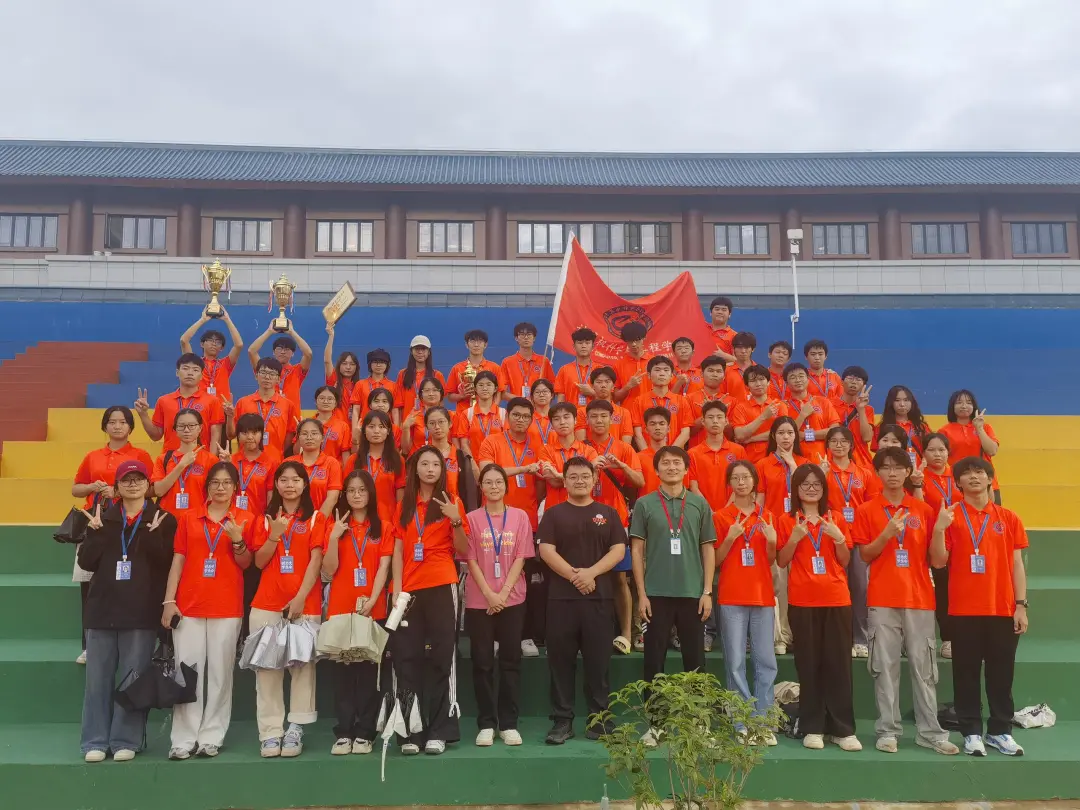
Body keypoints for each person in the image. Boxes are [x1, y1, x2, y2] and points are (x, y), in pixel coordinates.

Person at [852, 448, 959, 756]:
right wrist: (886, 534)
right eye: (886, 467)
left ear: (908, 472)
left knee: (924, 669)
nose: (893, 473)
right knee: (884, 668)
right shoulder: (867, 510)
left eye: (899, 467)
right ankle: (888, 730)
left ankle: (930, 732)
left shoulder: (923, 510)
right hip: (882, 599)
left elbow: (938, 560)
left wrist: (939, 529)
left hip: (920, 599)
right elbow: (864, 555)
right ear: (877, 473)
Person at [77, 460, 176, 763]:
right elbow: (86, 563)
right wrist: (94, 533)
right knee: (98, 680)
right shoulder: (102, 517)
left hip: (141, 612)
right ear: (116, 487)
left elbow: (166, 564)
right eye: (126, 480)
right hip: (102, 610)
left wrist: (152, 536)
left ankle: (126, 739)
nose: (133, 484)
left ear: (148, 485)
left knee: (133, 678)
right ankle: (95, 740)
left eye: (138, 479)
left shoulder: (162, 518)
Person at [930, 456, 1029, 758]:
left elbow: (1017, 564)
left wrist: (1021, 605)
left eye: (980, 472)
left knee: (1002, 675)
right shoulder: (950, 516)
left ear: (989, 479)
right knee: (966, 674)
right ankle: (971, 732)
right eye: (967, 473)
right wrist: (938, 529)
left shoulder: (1008, 517)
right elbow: (938, 561)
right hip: (963, 611)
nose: (974, 477)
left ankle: (1000, 731)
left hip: (1002, 609)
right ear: (958, 482)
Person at [162, 461, 258, 759]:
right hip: (188, 606)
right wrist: (169, 601)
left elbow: (247, 564)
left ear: (235, 488)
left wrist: (237, 540)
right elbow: (178, 559)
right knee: (186, 672)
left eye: (227, 483)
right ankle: (183, 738)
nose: (220, 488)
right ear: (206, 487)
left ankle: (211, 736)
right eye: (215, 482)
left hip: (227, 606)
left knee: (220, 674)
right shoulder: (189, 518)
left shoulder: (245, 518)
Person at [538, 456, 627, 744]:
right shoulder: (553, 514)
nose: (579, 481)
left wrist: (591, 573)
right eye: (573, 477)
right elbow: (546, 551)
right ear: (564, 482)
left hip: (599, 600)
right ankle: (562, 721)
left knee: (598, 662)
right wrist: (575, 576)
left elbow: (618, 550)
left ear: (594, 480)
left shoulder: (608, 513)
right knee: (560, 663)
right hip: (561, 600)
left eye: (585, 476)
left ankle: (599, 719)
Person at [629, 447, 715, 745]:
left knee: (696, 661)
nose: (671, 467)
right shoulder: (644, 504)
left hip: (692, 593)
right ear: (656, 470)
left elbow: (708, 548)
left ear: (686, 469)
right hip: (656, 594)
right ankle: (656, 725)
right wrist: (641, 593)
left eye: (677, 462)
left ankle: (699, 723)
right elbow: (637, 550)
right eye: (665, 463)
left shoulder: (700, 504)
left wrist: (707, 591)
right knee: (654, 662)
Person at [776, 464, 860, 752]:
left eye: (816, 484)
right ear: (796, 489)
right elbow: (782, 560)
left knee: (839, 665)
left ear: (824, 489)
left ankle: (842, 729)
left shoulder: (836, 518)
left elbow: (845, 560)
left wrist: (838, 537)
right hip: (803, 600)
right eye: (805, 484)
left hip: (836, 599)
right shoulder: (787, 520)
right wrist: (795, 538)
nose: (811, 489)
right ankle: (812, 727)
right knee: (808, 664)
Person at [389, 447, 468, 755]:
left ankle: (439, 730)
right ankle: (410, 731)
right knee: (406, 658)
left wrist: (456, 521)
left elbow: (463, 550)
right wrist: (397, 589)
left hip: (441, 585)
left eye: (436, 463)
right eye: (425, 463)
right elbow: (398, 550)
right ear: (415, 469)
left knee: (442, 657)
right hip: (408, 590)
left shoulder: (452, 502)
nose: (431, 468)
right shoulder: (404, 505)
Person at [250, 461, 328, 758]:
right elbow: (259, 562)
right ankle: (270, 732)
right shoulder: (264, 519)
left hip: (304, 604)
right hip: (266, 604)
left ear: (305, 484)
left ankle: (296, 727)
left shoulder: (316, 518)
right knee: (267, 671)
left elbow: (316, 560)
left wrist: (300, 597)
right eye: (284, 479)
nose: (290, 485)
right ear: (276, 485)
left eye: (296, 480)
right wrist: (274, 534)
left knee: (302, 668)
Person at [71, 406, 154, 664]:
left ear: (131, 427)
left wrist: (116, 492)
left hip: (128, 524)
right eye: (112, 422)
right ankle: (88, 644)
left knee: (126, 581)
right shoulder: (93, 456)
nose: (117, 426)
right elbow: (76, 488)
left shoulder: (140, 455)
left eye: (123, 422)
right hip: (96, 524)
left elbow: (150, 489)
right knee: (89, 585)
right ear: (104, 426)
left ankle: (131, 642)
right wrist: (92, 486)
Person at [462, 465, 534, 747]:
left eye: (498, 482)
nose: (494, 487)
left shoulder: (520, 517)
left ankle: (508, 723)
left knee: (510, 661)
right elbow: (470, 560)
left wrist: (502, 593)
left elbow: (521, 557)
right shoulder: (471, 519)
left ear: (506, 486)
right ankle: (486, 723)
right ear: (481, 487)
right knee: (482, 662)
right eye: (488, 482)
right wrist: (489, 595)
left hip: (512, 599)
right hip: (480, 601)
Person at [322, 470, 393, 756]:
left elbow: (384, 567)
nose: (356, 495)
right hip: (341, 608)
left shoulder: (383, 527)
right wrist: (333, 538)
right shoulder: (336, 526)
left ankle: (365, 732)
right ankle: (344, 732)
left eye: (362, 490)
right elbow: (328, 570)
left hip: (371, 608)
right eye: (351, 490)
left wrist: (373, 599)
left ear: (371, 493)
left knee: (368, 674)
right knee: (343, 674)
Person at [712, 461, 778, 744]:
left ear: (754, 482)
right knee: (736, 661)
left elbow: (770, 559)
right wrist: (730, 538)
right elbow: (715, 561)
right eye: (735, 478)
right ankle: (741, 721)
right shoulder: (721, 516)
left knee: (766, 660)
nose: (741, 483)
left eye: (746, 477)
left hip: (762, 595)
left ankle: (764, 721)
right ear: (729, 483)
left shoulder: (768, 516)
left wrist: (772, 541)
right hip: (731, 595)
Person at [821, 425, 879, 658]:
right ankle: (836, 637)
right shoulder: (823, 471)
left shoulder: (864, 473)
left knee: (860, 588)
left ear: (851, 445)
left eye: (843, 441)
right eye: (833, 441)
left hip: (859, 537)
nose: (838, 445)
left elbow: (872, 506)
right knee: (834, 588)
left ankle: (861, 638)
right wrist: (821, 473)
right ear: (827, 445)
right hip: (832, 536)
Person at [477, 397, 547, 532]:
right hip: (493, 516)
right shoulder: (491, 441)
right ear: (507, 416)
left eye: (526, 416)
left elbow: (541, 484)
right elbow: (486, 473)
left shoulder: (538, 445)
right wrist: (523, 469)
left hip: (527, 517)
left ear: (531, 420)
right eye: (516, 415)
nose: (521, 419)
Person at [135, 353, 224, 453]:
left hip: (200, 458)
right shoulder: (163, 401)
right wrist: (143, 414)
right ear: (177, 372)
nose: (190, 373)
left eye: (195, 370)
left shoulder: (212, 401)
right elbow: (155, 436)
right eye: (185, 368)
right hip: (171, 459)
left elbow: (215, 436)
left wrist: (211, 460)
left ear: (201, 376)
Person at [921, 432, 957, 658]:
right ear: (923, 453)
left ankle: (962, 636)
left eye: (941, 450)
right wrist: (916, 484)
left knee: (959, 590)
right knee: (940, 591)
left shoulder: (959, 475)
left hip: (961, 540)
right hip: (932, 541)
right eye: (932, 450)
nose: (937, 454)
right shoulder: (918, 477)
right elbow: (918, 508)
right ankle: (947, 639)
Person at [152, 410, 219, 516]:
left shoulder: (211, 460)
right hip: (168, 518)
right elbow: (159, 491)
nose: (186, 430)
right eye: (181, 426)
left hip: (198, 518)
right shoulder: (163, 459)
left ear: (200, 428)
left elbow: (215, 495)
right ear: (175, 429)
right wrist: (181, 465)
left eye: (191, 426)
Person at [940, 389, 1001, 502]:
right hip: (958, 483)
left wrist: (979, 428)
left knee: (991, 512)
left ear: (974, 406)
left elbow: (992, 451)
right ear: (952, 407)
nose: (964, 406)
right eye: (959, 403)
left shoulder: (985, 427)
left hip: (986, 482)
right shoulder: (944, 431)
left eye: (968, 403)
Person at [231, 358, 300, 456]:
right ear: (256, 376)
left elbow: (289, 437)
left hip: (275, 461)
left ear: (278, 379)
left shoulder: (288, 405)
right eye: (263, 373)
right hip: (246, 460)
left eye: (272, 374)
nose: (267, 377)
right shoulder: (243, 403)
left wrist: (277, 454)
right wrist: (229, 417)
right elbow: (232, 434)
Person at [688, 399, 746, 513]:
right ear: (703, 421)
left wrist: (726, 511)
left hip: (733, 512)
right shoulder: (692, 453)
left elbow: (742, 482)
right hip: (703, 513)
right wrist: (709, 512)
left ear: (726, 421)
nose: (715, 421)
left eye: (719, 417)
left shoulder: (738, 451)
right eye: (710, 417)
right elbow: (693, 487)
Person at [730, 364, 791, 463]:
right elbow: (740, 435)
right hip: (750, 461)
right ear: (747, 386)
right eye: (753, 381)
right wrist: (763, 417)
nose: (758, 384)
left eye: (761, 379)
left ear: (768, 382)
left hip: (777, 460)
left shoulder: (780, 405)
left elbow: (782, 433)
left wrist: (752, 439)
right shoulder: (740, 407)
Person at [628, 356, 692, 450]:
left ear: (671, 376)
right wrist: (647, 454)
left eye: (666, 370)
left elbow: (685, 433)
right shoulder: (639, 401)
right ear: (649, 375)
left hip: (674, 454)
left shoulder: (681, 401)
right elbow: (638, 434)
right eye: (657, 370)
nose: (662, 373)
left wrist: (670, 454)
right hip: (647, 454)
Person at [352, 410, 406, 519]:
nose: (376, 431)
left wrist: (398, 518)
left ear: (388, 431)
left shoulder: (397, 460)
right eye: (371, 427)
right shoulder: (354, 460)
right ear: (364, 430)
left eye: (381, 427)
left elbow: (400, 494)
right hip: (360, 520)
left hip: (388, 519)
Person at [180, 308, 243, 401]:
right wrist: (202, 320)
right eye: (210, 340)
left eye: (218, 342)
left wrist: (227, 319)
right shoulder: (194, 363)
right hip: (198, 406)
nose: (214, 344)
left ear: (222, 348)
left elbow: (239, 345)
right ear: (202, 344)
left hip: (221, 407)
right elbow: (184, 341)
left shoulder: (226, 363)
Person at [285, 418, 344, 517]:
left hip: (322, 521)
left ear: (322, 438)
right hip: (293, 521)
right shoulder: (288, 463)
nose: (309, 437)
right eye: (304, 434)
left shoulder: (332, 463)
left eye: (314, 433)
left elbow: (332, 498)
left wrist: (317, 522)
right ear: (298, 438)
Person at [781, 362, 840, 461]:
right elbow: (785, 435)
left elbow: (834, 431)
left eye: (801, 376)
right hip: (794, 460)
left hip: (822, 459)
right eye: (793, 377)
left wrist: (806, 435)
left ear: (808, 379)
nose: (798, 380)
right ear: (786, 383)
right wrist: (802, 415)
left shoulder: (823, 402)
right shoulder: (783, 406)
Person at [247, 327, 313, 415]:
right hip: (270, 416)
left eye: (287, 349)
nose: (282, 352)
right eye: (279, 348)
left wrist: (292, 332)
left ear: (293, 353)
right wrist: (269, 331)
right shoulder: (265, 369)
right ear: (273, 352)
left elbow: (308, 354)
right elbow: (251, 351)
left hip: (292, 417)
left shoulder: (297, 371)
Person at [227, 413, 281, 519]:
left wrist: (267, 520)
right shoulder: (231, 460)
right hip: (231, 519)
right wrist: (225, 465)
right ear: (238, 435)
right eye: (245, 433)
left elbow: (270, 496)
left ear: (262, 434)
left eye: (255, 432)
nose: (250, 437)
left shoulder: (271, 463)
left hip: (258, 520)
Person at [755, 417, 808, 518]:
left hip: (799, 520)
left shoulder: (805, 463)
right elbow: (760, 498)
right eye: (781, 433)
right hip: (771, 519)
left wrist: (792, 464)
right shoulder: (762, 464)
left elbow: (806, 491)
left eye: (790, 433)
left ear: (795, 435)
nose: (786, 437)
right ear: (773, 436)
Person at [453, 370, 506, 465]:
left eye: (489, 385)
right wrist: (473, 466)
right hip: (474, 465)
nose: (484, 388)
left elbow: (506, 443)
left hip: (498, 465)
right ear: (475, 389)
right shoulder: (467, 414)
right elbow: (464, 444)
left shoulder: (503, 413)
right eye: (481, 385)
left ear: (495, 389)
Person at [575, 366, 634, 444]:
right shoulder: (582, 412)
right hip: (590, 451)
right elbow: (581, 443)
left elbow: (626, 445)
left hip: (616, 451)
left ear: (613, 386)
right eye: (599, 382)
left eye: (607, 382)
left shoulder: (624, 413)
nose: (603, 385)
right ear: (592, 386)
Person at [830, 366, 875, 467]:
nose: (854, 382)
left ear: (863, 385)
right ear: (841, 382)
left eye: (858, 380)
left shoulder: (868, 409)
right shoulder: (829, 405)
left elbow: (867, 438)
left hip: (861, 463)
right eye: (850, 378)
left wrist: (861, 409)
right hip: (834, 460)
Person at [447, 329, 501, 412]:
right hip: (463, 414)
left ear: (485, 345)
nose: (476, 345)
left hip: (487, 414)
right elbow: (450, 397)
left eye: (480, 341)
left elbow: (499, 393)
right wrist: (462, 396)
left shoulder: (495, 368)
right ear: (467, 345)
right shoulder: (457, 368)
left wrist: (492, 410)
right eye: (472, 341)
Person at [499, 322, 554, 402]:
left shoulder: (544, 361)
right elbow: (502, 393)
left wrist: (539, 399)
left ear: (534, 338)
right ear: (516, 338)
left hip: (538, 407)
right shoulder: (507, 362)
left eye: (529, 334)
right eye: (522, 334)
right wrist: (522, 401)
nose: (526, 337)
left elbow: (552, 388)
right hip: (517, 406)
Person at [686, 355, 732, 448]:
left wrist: (720, 414)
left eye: (719, 371)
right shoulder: (688, 399)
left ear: (724, 376)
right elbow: (687, 433)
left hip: (725, 452)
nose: (714, 374)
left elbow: (733, 435)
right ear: (701, 374)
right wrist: (706, 413)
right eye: (710, 371)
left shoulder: (732, 401)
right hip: (696, 452)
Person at [396, 336, 446, 419]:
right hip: (409, 421)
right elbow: (398, 404)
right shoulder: (403, 374)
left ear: (429, 352)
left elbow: (441, 402)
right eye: (417, 349)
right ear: (411, 351)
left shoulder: (437, 375)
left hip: (430, 421)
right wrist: (400, 424)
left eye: (423, 349)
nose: (420, 352)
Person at [878, 385, 931, 462]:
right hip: (893, 467)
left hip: (918, 467)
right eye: (897, 400)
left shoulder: (921, 427)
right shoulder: (882, 427)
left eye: (906, 400)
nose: (902, 404)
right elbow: (878, 452)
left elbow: (929, 449)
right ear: (891, 403)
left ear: (912, 402)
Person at [322, 325, 360, 425]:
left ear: (356, 367)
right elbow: (327, 360)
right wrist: (331, 336)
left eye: (352, 364)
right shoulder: (333, 380)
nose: (348, 367)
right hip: (336, 427)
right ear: (339, 365)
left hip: (353, 428)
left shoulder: (359, 385)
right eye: (344, 363)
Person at [350, 348, 398, 426]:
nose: (378, 365)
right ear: (370, 364)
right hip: (365, 426)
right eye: (375, 362)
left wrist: (396, 430)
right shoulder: (360, 384)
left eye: (382, 362)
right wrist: (355, 430)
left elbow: (395, 411)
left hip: (386, 427)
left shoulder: (393, 386)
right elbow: (356, 410)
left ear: (387, 365)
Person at [402, 376, 447, 455]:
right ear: (421, 395)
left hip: (443, 459)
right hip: (417, 459)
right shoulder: (414, 416)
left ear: (441, 394)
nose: (431, 394)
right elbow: (405, 451)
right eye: (426, 390)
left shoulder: (450, 416)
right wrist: (406, 427)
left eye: (435, 390)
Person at [638, 407, 678, 496]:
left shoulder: (678, 457)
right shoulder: (638, 458)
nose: (657, 428)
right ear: (646, 429)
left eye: (661, 424)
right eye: (653, 424)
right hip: (646, 504)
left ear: (668, 428)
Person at [555, 327, 597, 406]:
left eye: (587, 343)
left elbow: (608, 398)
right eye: (580, 343)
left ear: (593, 346)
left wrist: (592, 393)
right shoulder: (564, 370)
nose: (583, 346)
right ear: (574, 346)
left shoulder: (600, 369)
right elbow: (561, 400)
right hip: (571, 413)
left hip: (595, 413)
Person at [312, 386, 352, 467]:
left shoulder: (343, 426)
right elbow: (297, 451)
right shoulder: (308, 424)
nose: (325, 401)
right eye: (322, 398)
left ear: (335, 403)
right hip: (310, 469)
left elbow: (345, 454)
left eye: (330, 399)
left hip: (334, 469)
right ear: (316, 401)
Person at [614, 321, 652, 403]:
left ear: (644, 338)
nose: (634, 344)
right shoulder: (619, 365)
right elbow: (615, 398)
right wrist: (628, 386)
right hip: (628, 410)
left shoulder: (654, 362)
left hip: (652, 409)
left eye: (637, 340)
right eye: (630, 341)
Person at [723, 332, 757, 400]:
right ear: (733, 349)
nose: (743, 351)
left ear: (753, 349)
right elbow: (720, 394)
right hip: (732, 406)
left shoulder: (760, 371)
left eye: (746, 347)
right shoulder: (725, 370)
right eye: (739, 347)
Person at [707, 296, 737, 362]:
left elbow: (739, 361)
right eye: (717, 309)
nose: (720, 312)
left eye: (724, 310)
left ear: (729, 314)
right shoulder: (701, 328)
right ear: (710, 313)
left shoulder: (734, 336)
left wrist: (723, 355)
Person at [529, 378, 555, 445]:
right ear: (532, 397)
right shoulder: (527, 417)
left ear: (552, 395)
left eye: (545, 391)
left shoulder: (558, 417)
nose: (541, 395)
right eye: (537, 392)